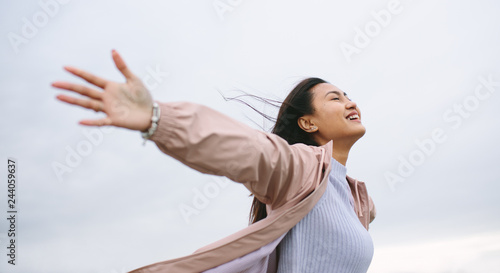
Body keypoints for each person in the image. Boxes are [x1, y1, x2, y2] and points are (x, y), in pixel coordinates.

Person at [52, 49, 376, 273]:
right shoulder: (301, 170)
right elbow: (245, 148)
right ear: (308, 123)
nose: (350, 102)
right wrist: (157, 119)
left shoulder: (358, 202)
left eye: (347, 95)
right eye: (335, 98)